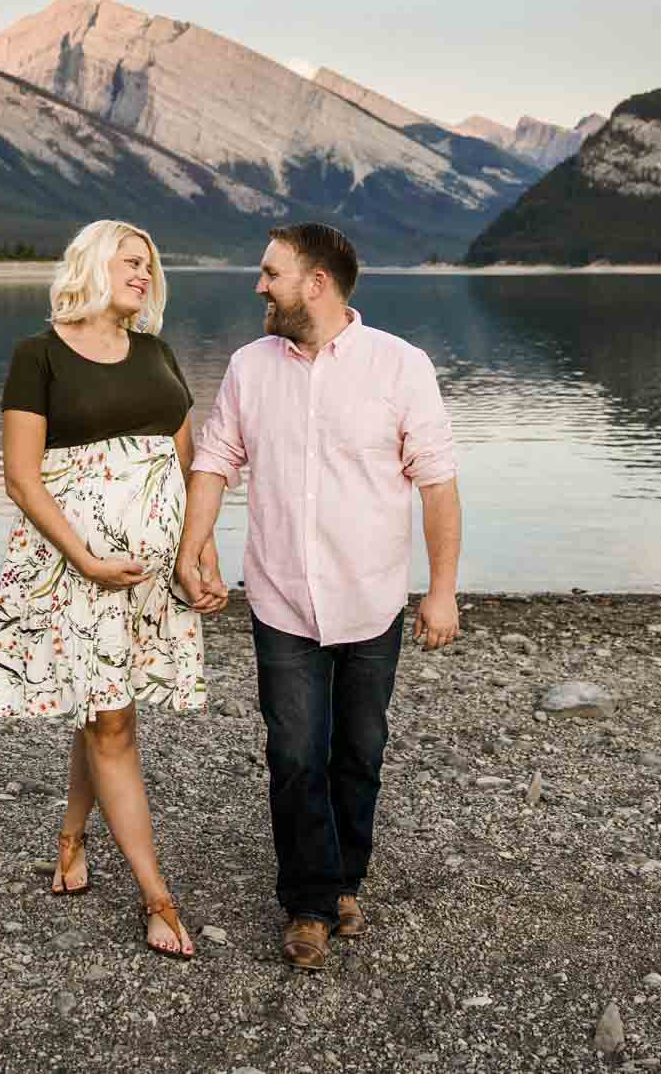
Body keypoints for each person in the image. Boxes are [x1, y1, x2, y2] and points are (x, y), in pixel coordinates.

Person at [174, 222, 462, 971]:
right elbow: (214, 459)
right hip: (280, 597)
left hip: (372, 599)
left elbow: (437, 483)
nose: (259, 284)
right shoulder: (247, 366)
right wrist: (192, 544)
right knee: (296, 752)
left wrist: (443, 590)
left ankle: (345, 879)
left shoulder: (401, 366)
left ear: (317, 283)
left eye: (271, 272)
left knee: (360, 750)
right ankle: (311, 902)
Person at [0, 219, 220, 960]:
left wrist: (196, 554)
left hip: (146, 579)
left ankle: (72, 837)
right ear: (91, 263)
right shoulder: (38, 355)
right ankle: (158, 895)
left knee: (103, 705)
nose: (145, 273)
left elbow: (183, 464)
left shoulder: (156, 352)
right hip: (77, 573)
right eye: (131, 260)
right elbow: (21, 476)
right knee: (114, 724)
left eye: (151, 263)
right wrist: (84, 557)